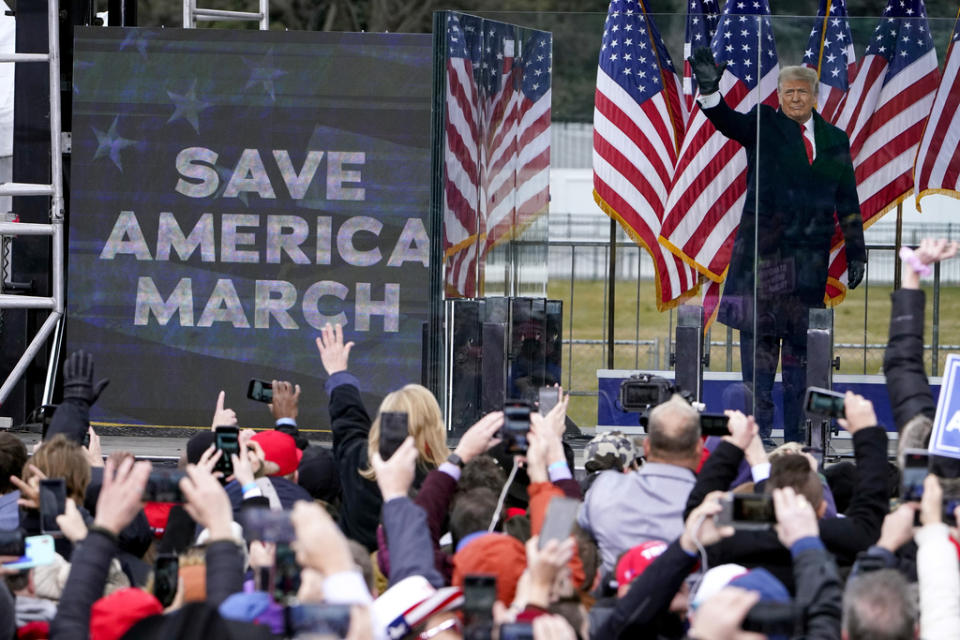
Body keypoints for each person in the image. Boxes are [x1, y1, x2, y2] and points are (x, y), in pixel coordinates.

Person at [688, 48, 866, 445]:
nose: (794, 99)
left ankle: (802, 439)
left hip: (807, 272)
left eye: (801, 92)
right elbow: (728, 123)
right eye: (788, 93)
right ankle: (758, 437)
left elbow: (848, 203)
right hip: (761, 267)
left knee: (802, 361)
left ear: (814, 96)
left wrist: (857, 252)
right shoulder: (764, 125)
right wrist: (708, 92)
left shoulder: (836, 140)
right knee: (760, 361)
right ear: (779, 96)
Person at [578, 394, 702, 575]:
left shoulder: (604, 488)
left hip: (614, 596)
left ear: (647, 447)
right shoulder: (712, 506)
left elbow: (557, 536)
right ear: (699, 448)